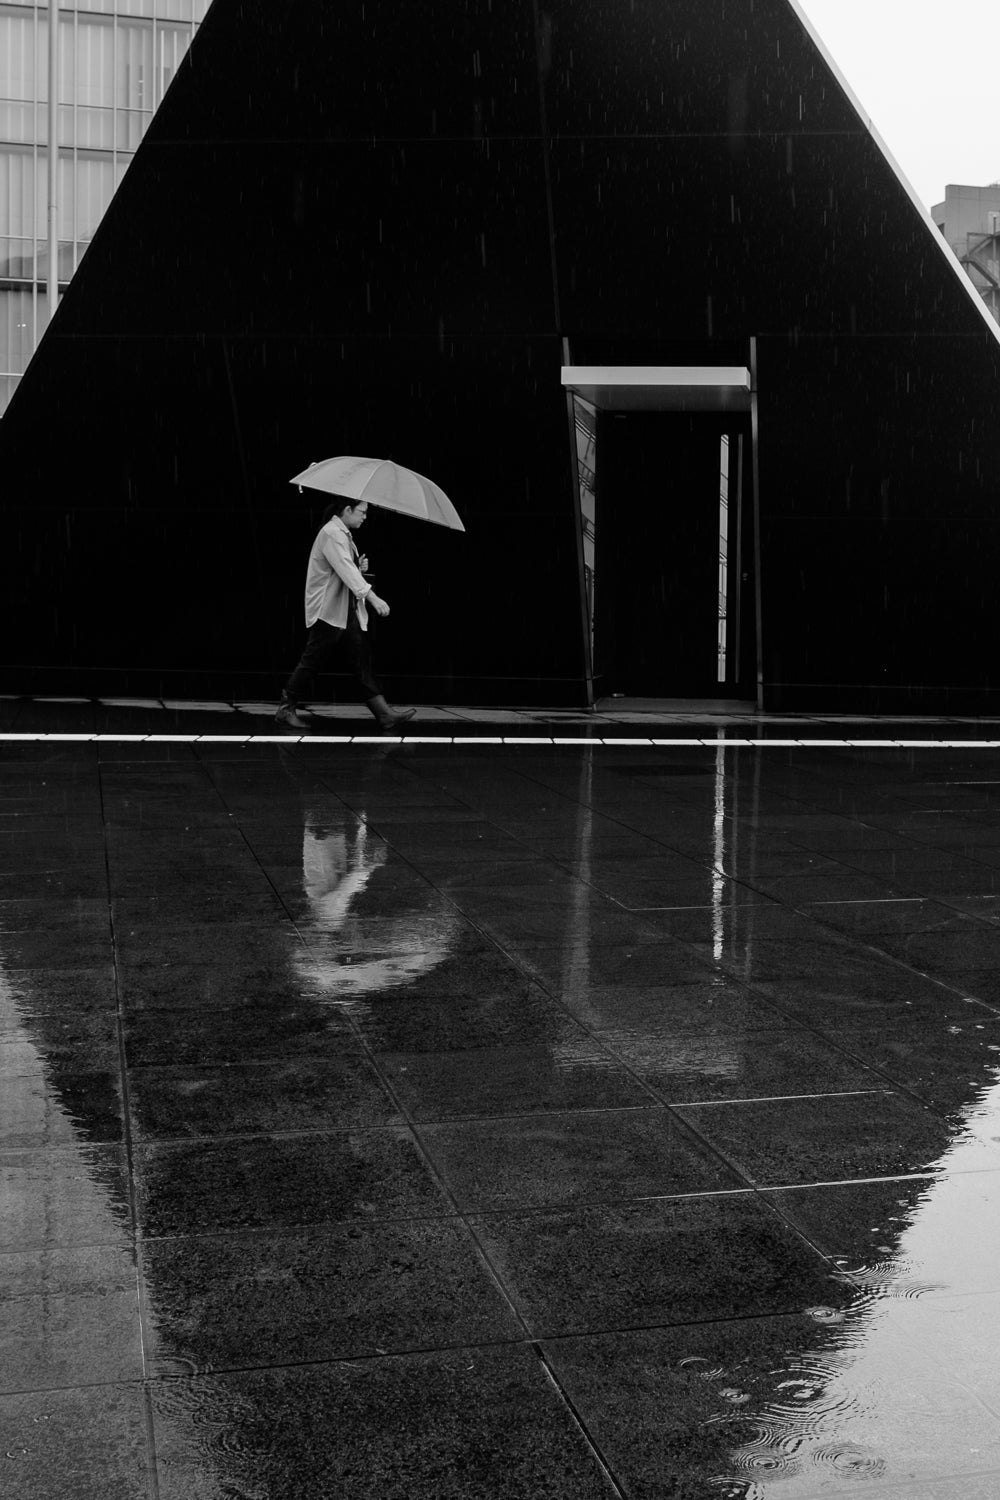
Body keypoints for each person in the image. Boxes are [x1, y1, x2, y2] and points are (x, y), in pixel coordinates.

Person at [275, 498, 415, 732]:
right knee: (312, 660)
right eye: (361, 511)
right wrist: (373, 597)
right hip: (328, 610)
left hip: (340, 609)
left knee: (360, 659)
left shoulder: (341, 533)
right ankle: (285, 709)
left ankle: (384, 714)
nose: (365, 516)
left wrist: (358, 567)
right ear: (347, 510)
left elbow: (344, 569)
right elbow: (345, 571)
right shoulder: (332, 533)